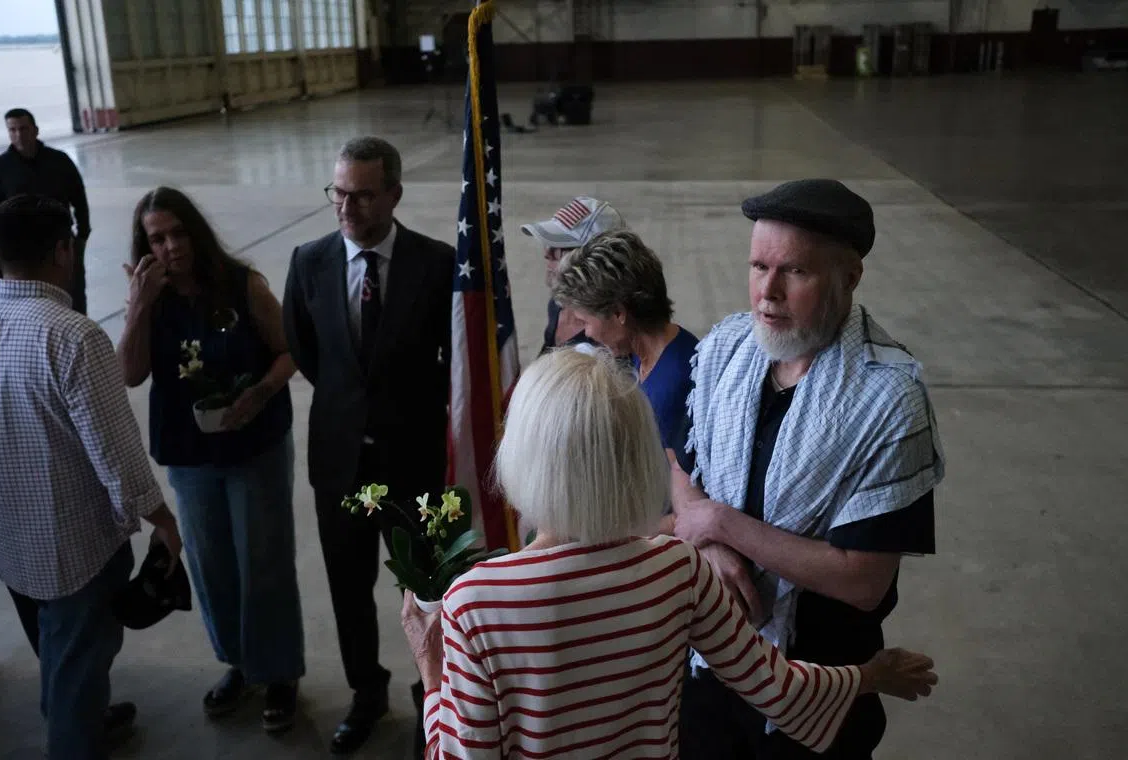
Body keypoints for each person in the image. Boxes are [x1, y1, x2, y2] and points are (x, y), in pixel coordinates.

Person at [399, 347, 938, 759]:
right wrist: (871, 676)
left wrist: (431, 668)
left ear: (521, 455)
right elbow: (776, 687)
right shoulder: (678, 568)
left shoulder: (477, 601)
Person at [671, 179, 946, 760]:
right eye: (758, 267)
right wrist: (712, 548)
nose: (767, 293)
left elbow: (862, 583)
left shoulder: (888, 399)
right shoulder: (726, 349)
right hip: (709, 664)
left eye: (795, 272)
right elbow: (682, 463)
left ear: (850, 277)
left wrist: (720, 523)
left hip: (820, 691)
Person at [0, 195, 183, 759]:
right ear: (62, 251)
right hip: (73, 548)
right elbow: (115, 454)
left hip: (6, 535)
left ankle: (82, 715)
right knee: (77, 660)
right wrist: (163, 520)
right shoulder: (73, 336)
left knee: (56, 650)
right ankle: (76, 732)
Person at [283, 136, 454, 756]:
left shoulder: (438, 264)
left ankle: (434, 693)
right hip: (341, 465)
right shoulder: (309, 261)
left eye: (361, 195)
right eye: (338, 192)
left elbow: (456, 362)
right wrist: (351, 407)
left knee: (428, 589)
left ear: (394, 195)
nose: (345, 206)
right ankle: (366, 693)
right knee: (348, 588)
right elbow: (305, 349)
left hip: (415, 464)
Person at [115, 187, 305, 733]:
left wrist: (262, 392)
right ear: (145, 248)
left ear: (195, 231)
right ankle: (240, 665)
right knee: (210, 564)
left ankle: (279, 672)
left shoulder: (242, 285)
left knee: (263, 562)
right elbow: (130, 373)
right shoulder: (151, 300)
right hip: (190, 453)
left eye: (178, 232)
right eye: (157, 239)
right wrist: (138, 306)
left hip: (254, 445)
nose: (171, 246)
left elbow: (290, 350)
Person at [551, 228, 698, 455]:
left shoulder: (673, 387)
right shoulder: (650, 353)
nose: (587, 333)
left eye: (585, 321)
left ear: (619, 313)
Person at [0, 109, 91, 312]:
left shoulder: (59, 161)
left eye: (23, 129)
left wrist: (82, 236)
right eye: (12, 130)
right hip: (21, 251)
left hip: (60, 243)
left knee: (74, 296)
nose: (18, 135)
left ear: (35, 130)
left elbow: (79, 197)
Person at [520, 195, 626, 354]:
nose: (547, 254)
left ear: (595, 260)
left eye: (559, 247)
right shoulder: (558, 303)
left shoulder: (611, 334)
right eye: (548, 245)